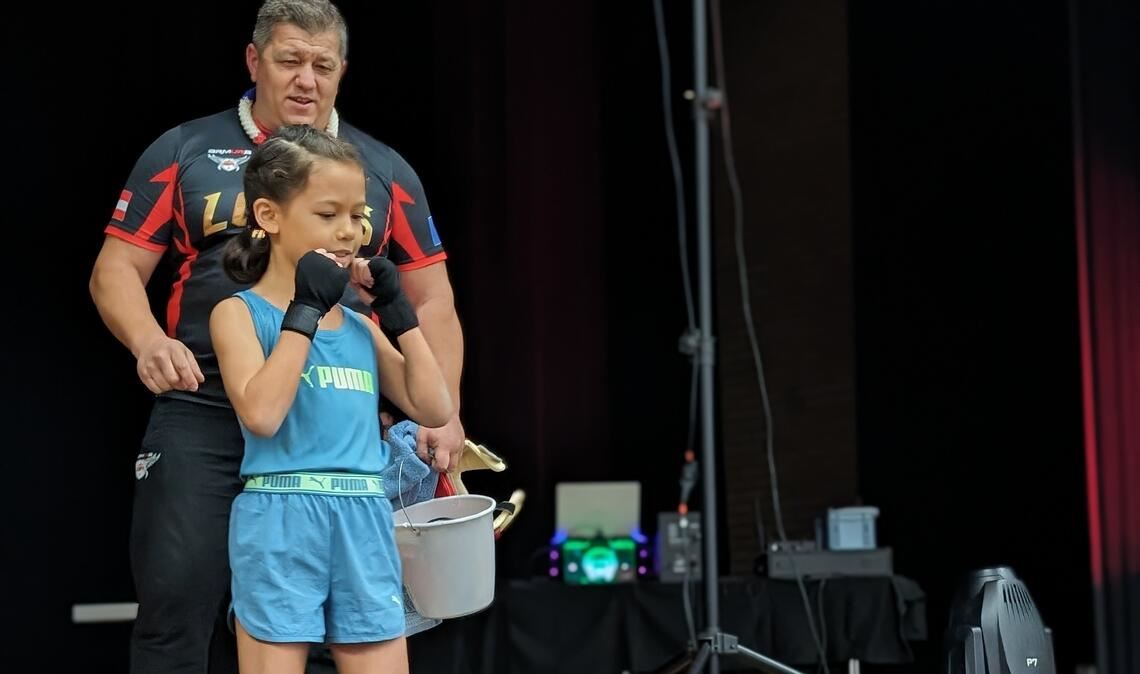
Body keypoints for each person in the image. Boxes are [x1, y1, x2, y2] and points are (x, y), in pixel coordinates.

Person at [87, 1, 465, 672]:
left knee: (334, 618)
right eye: (290, 60)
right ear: (254, 60)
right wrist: (148, 341)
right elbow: (116, 267)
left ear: (342, 72)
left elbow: (431, 297)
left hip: (331, 405)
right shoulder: (185, 149)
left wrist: (446, 412)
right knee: (176, 603)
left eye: (323, 66)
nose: (306, 80)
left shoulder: (380, 171)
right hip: (204, 402)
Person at [211, 123, 452, 674]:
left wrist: (399, 316)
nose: (348, 233)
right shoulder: (239, 313)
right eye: (328, 215)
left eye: (357, 216)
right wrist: (305, 311)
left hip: (363, 515)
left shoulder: (361, 328)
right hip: (280, 515)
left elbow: (435, 408)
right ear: (270, 217)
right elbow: (263, 414)